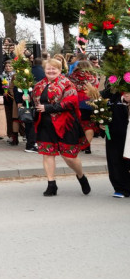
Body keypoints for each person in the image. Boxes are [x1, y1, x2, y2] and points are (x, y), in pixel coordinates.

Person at [33, 58, 89, 196]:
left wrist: (48, 107)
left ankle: (81, 176)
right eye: (48, 68)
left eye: (54, 68)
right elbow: (36, 101)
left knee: (69, 157)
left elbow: (70, 103)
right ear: (44, 69)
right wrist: (27, 98)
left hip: (66, 123)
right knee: (47, 154)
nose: (51, 71)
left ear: (60, 70)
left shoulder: (67, 84)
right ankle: (51, 184)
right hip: (45, 123)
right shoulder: (39, 85)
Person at [68, 57, 101, 154]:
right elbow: (97, 87)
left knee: (77, 124)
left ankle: (78, 145)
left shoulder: (72, 76)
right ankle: (87, 147)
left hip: (75, 101)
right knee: (89, 125)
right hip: (89, 101)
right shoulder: (93, 76)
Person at [103, 88, 130, 198]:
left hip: (127, 129)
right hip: (113, 132)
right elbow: (98, 104)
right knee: (115, 159)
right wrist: (100, 121)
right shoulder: (108, 90)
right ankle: (120, 187)